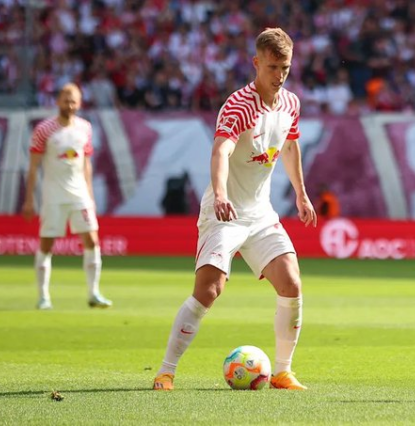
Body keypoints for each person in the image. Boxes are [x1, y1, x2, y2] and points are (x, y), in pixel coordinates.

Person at [153, 28, 317, 391]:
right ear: (256, 63)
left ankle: (283, 372)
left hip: (260, 213)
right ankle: (166, 371)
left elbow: (290, 148)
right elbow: (221, 151)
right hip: (224, 210)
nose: (279, 76)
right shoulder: (238, 105)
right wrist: (221, 192)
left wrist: (302, 195)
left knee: (291, 282)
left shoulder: (291, 104)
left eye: (285, 68)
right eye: (273, 67)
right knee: (209, 290)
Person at [22, 83, 113, 310]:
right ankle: (43, 296)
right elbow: (33, 166)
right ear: (57, 102)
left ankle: (94, 293)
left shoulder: (85, 128)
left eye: (73, 101)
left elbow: (86, 163)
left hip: (79, 194)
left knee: (92, 240)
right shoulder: (44, 130)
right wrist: (29, 199)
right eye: (65, 100)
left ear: (79, 103)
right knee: (47, 244)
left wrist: (90, 195)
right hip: (53, 196)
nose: (69, 105)